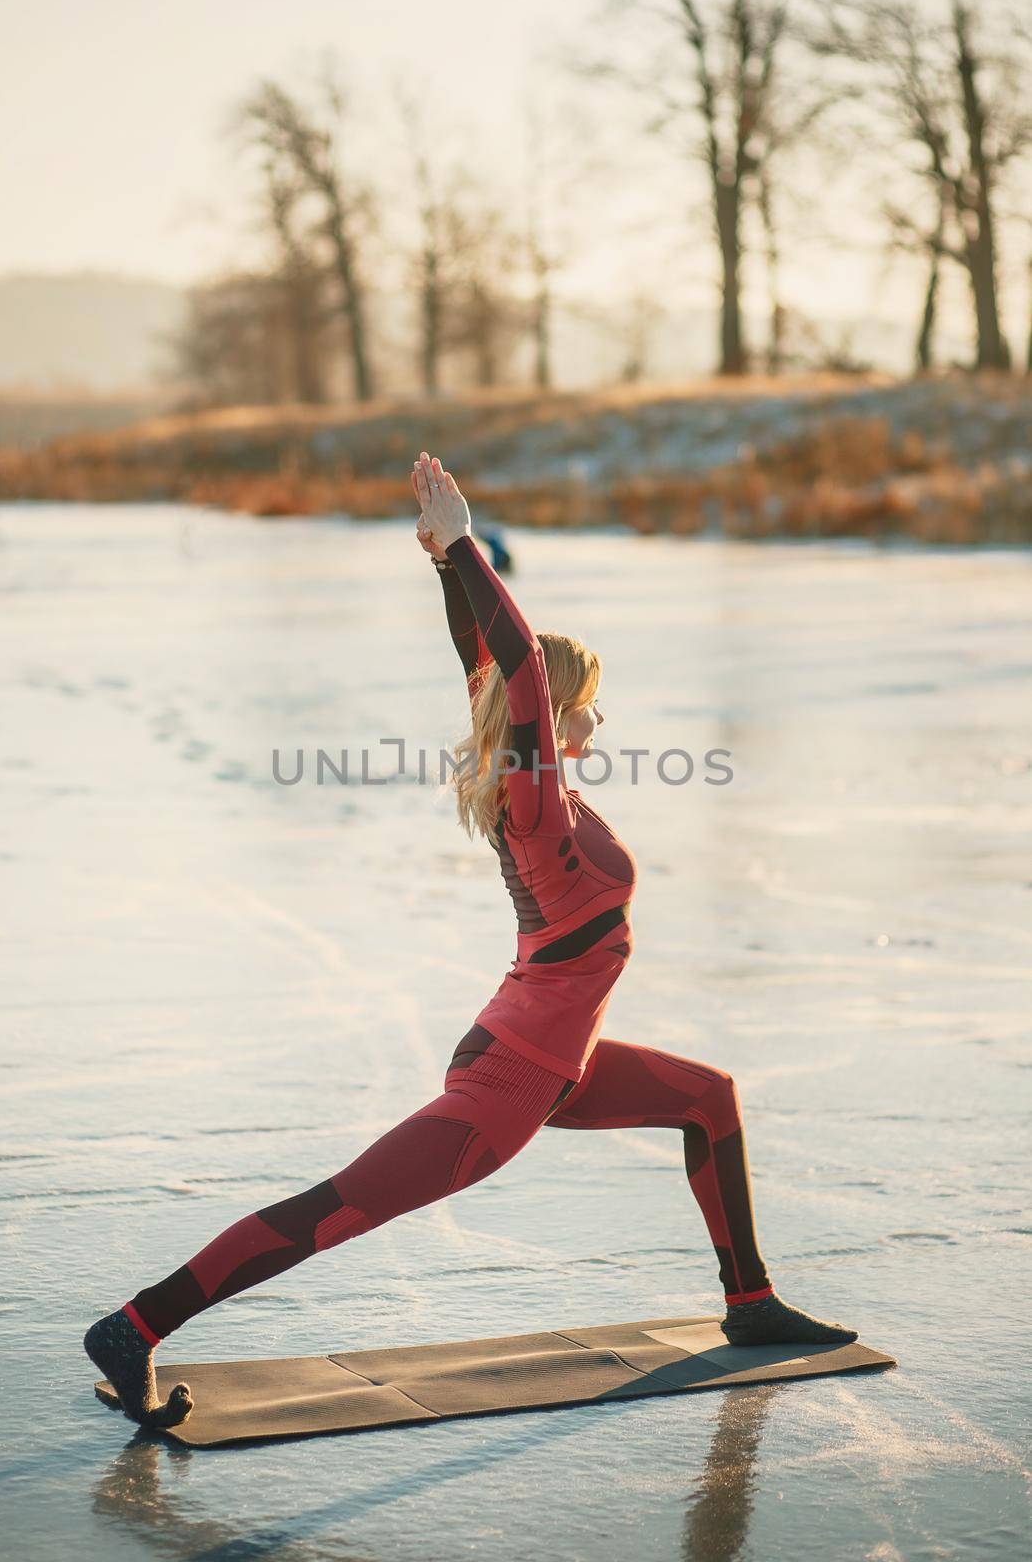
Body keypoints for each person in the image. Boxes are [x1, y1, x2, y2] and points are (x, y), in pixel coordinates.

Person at [84, 450, 856, 1428]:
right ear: (554, 713)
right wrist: (460, 543)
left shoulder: (534, 782)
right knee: (329, 1212)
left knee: (708, 1099)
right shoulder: (533, 800)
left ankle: (749, 1303)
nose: (600, 716)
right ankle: (137, 1325)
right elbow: (518, 666)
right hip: (505, 1088)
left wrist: (449, 570)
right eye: (588, 703)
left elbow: (487, 666)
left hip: (546, 1056)